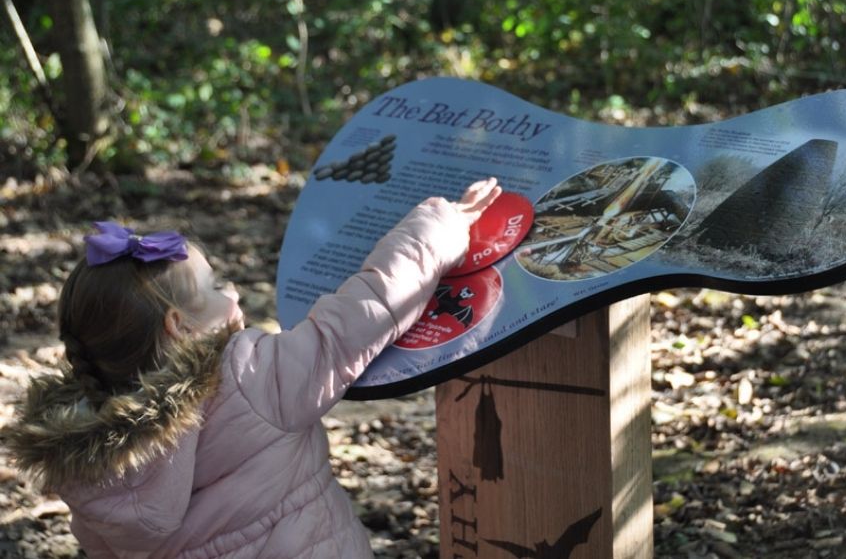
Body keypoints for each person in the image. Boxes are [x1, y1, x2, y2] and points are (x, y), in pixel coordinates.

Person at [4, 178, 502, 559]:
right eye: (217, 287)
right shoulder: (248, 376)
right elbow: (359, 314)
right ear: (180, 327)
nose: (234, 293)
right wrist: (438, 229)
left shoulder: (84, 459)